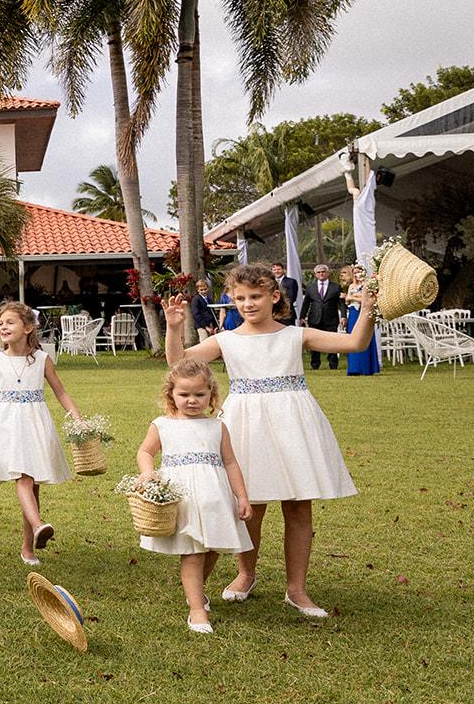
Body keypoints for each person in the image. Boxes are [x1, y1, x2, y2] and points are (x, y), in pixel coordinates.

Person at [165, 263, 374, 618]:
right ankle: (245, 574)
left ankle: (297, 589)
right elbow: (178, 363)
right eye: (241, 298)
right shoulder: (226, 340)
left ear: (274, 296)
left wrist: (368, 309)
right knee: (250, 506)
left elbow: (356, 342)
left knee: (298, 505)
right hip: (245, 423)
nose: (248, 304)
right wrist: (174, 329)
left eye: (256, 296)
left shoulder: (296, 335)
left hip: (294, 422)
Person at [135, 360, 252, 635]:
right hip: (183, 498)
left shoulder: (217, 427)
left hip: (214, 497)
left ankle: (195, 591)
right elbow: (145, 452)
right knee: (193, 552)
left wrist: (242, 497)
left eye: (199, 395)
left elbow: (231, 463)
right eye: (184, 395)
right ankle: (197, 610)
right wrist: (148, 473)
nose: (191, 401)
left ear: (211, 394)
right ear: (171, 395)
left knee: (212, 547)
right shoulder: (163, 425)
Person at [0, 301, 79, 566]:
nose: (4, 326)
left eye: (10, 322)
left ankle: (28, 548)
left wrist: (77, 417)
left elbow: (60, 392)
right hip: (8, 424)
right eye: (1, 323)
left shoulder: (42, 359)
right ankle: (38, 525)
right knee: (24, 477)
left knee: (33, 483)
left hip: (36, 421)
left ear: (27, 328)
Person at [299, 264, 343, 369]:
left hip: (331, 319)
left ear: (327, 273)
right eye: (319, 272)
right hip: (315, 319)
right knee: (314, 342)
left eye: (323, 272)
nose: (321, 274)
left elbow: (341, 303)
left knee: (332, 342)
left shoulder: (336, 287)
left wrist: (344, 316)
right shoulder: (310, 287)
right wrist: (302, 317)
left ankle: (333, 364)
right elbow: (306, 303)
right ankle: (315, 364)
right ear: (315, 274)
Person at [344, 266, 381, 376]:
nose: (356, 275)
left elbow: (368, 300)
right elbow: (347, 300)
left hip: (363, 312)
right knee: (352, 338)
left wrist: (354, 297)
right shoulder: (351, 285)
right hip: (353, 313)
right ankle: (354, 367)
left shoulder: (367, 285)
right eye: (354, 273)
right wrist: (354, 297)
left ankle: (366, 367)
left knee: (365, 337)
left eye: (359, 272)